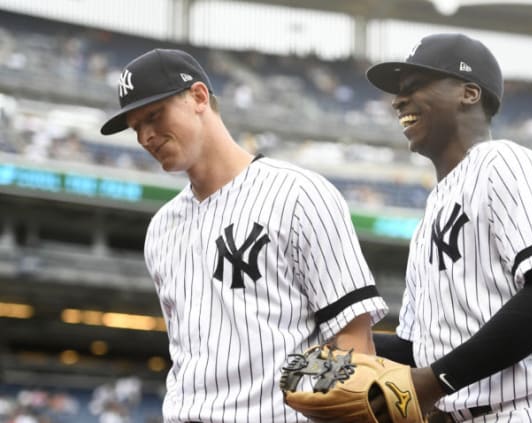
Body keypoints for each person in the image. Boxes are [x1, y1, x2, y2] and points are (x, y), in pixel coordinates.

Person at [100, 48, 388, 423]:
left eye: (154, 116)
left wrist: (304, 398)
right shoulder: (161, 229)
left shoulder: (298, 194)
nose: (145, 136)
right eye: (135, 126)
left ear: (199, 97)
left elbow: (353, 340)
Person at [365, 33, 532, 422]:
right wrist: (346, 345)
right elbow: (419, 350)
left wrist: (434, 382)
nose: (398, 100)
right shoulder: (429, 217)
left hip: (526, 410)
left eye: (414, 86)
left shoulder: (506, 162)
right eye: (398, 92)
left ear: (469, 93)